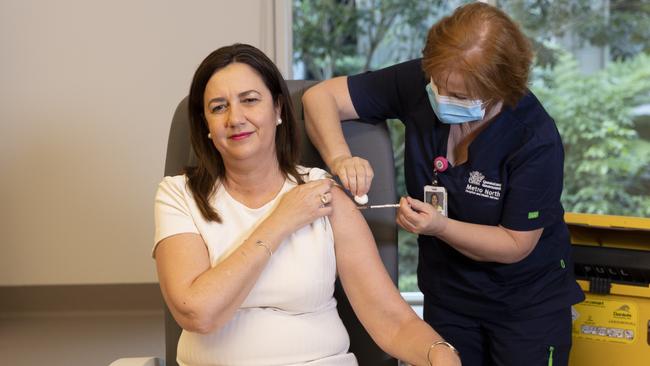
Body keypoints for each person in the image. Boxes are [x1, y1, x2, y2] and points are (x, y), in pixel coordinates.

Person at [302, 3, 584, 366]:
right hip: (448, 297)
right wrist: (341, 158)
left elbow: (516, 244)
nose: (444, 99)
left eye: (462, 97)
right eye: (439, 85)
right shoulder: (421, 85)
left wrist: (440, 227)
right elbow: (319, 97)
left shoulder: (533, 138)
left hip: (525, 306)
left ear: (500, 89)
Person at [153, 43, 461, 366]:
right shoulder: (179, 196)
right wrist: (282, 219)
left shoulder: (323, 194)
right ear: (206, 126)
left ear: (278, 111)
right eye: (218, 107)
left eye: (250, 100)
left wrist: (438, 352)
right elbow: (198, 312)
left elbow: (391, 320)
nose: (235, 118)